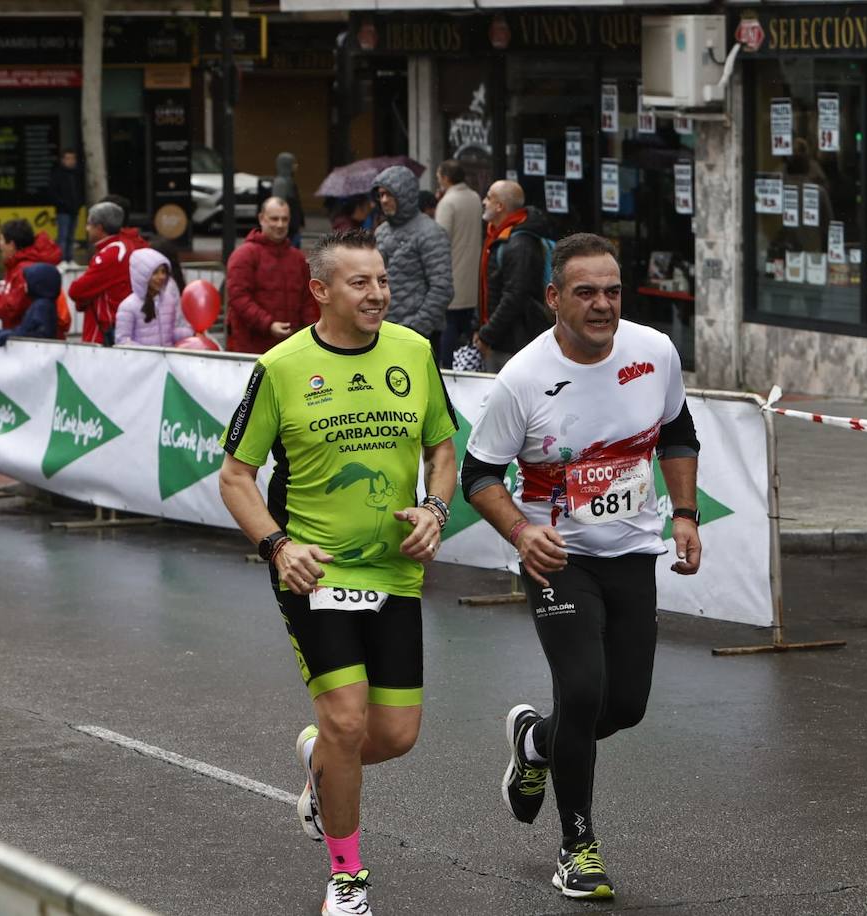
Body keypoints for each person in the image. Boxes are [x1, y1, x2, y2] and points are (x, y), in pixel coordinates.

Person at [218, 229, 459, 916]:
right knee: (349, 724)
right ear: (321, 291)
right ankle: (348, 878)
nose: (379, 293)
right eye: (362, 282)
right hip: (314, 572)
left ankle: (320, 761)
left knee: (395, 736)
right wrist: (277, 547)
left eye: (382, 281)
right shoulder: (282, 367)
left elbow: (444, 449)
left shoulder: (413, 352)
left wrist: (436, 510)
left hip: (396, 571)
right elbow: (236, 477)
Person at [460, 233, 703, 901]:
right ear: (554, 298)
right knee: (584, 689)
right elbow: (477, 474)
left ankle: (536, 743)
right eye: (586, 292)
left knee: (625, 706)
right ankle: (577, 846)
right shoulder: (524, 378)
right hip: (557, 558)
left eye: (613, 291)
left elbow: (678, 433)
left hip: (630, 554)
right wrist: (519, 532)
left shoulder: (654, 353)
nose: (603, 305)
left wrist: (685, 514)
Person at [371, 166, 453, 352]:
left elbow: (442, 288)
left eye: (389, 194)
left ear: (405, 195)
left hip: (420, 334)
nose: (384, 200)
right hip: (383, 330)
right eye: (381, 195)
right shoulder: (381, 232)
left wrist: (415, 329)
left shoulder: (431, 232)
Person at [476, 179, 554, 372]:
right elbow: (490, 288)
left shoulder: (519, 244)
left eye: (489, 197)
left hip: (514, 342)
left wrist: (487, 334)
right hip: (502, 338)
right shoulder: (500, 236)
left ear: (500, 206)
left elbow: (514, 296)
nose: (484, 202)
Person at [225, 197, 319, 354]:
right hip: (250, 348)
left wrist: (314, 334)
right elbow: (239, 298)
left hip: (290, 347)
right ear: (261, 218)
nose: (280, 225)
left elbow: (308, 301)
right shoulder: (244, 255)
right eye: (274, 219)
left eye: (285, 219)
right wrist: (268, 324)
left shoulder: (298, 258)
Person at [0, 219, 65, 339]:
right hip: (29, 340)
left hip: (28, 344)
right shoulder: (21, 267)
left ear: (12, 244)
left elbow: (11, 309)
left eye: (1, 239)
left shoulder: (23, 270)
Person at [68, 201, 147, 346]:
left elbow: (76, 291)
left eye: (89, 224)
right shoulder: (125, 245)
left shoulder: (110, 254)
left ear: (99, 228)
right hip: (121, 325)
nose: (86, 229)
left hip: (105, 330)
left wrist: (85, 299)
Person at [433, 159, 483, 369]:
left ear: (445, 178)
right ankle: (473, 363)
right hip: (472, 273)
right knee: (466, 323)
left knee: (449, 327)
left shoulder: (448, 202)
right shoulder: (475, 197)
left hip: (452, 272)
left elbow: (439, 239)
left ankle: (447, 368)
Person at [113, 249, 193, 347]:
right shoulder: (128, 306)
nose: (161, 277)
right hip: (141, 361)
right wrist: (149, 353)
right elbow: (122, 340)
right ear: (142, 275)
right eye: (155, 273)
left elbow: (171, 332)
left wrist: (191, 332)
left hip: (166, 360)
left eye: (163, 271)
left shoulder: (169, 300)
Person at [0, 264, 61, 347]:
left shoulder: (42, 306)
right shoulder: (40, 304)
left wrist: (10, 335)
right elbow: (26, 330)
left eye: (28, 282)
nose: (25, 285)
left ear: (38, 285)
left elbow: (40, 335)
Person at [48, 149, 85, 266]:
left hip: (74, 209)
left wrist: (79, 203)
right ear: (63, 160)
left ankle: (69, 259)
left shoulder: (77, 174)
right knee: (63, 236)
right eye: (68, 158)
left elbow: (80, 191)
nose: (71, 161)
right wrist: (62, 204)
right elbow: (53, 193)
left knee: (71, 236)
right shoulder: (58, 174)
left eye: (73, 158)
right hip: (63, 211)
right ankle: (62, 259)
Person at [271, 151, 306, 248]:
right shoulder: (281, 183)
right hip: (288, 228)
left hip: (293, 226)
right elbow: (278, 206)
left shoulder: (289, 182)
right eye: (293, 163)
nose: (296, 166)